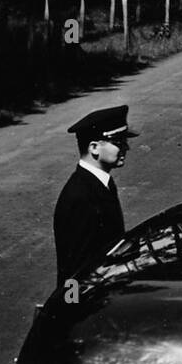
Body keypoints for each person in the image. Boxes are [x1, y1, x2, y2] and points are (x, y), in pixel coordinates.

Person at [54, 105, 137, 289]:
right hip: (89, 303)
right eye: (118, 142)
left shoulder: (100, 183)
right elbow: (75, 269)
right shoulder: (80, 196)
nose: (126, 147)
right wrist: (72, 310)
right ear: (94, 148)